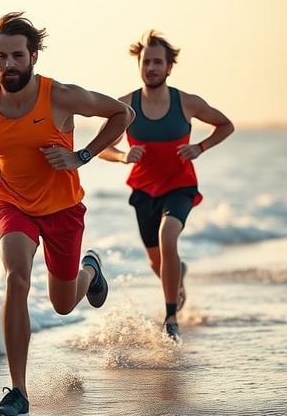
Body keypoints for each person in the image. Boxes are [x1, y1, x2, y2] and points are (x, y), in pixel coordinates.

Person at [0, 12, 133, 416]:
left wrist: (82, 156)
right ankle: (18, 393)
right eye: (1, 57)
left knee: (61, 304)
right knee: (16, 277)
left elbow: (123, 115)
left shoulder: (60, 96)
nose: (9, 65)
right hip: (13, 204)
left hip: (63, 210)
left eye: (17, 56)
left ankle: (90, 271)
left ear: (33, 56)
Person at [96, 30, 234, 339]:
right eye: (147, 62)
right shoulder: (125, 108)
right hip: (144, 192)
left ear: (169, 67)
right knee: (156, 262)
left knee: (168, 236)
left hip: (180, 186)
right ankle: (178, 275)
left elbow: (226, 125)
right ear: (140, 65)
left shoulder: (186, 103)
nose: (152, 68)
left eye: (158, 62)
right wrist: (122, 157)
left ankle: (171, 317)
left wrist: (200, 147)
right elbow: (100, 147)